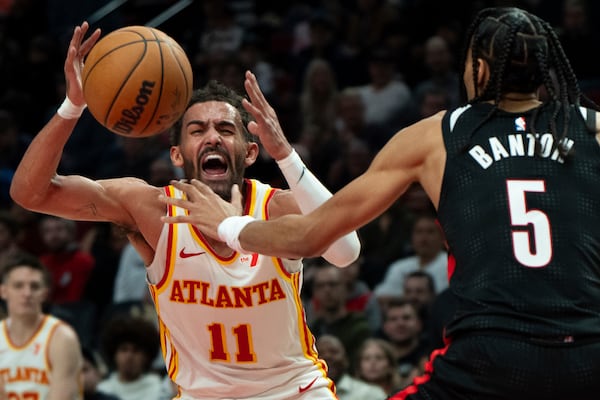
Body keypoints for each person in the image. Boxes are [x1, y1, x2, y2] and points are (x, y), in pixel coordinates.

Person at [178, 7, 600, 399]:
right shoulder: (593, 130)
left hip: (489, 355)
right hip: (588, 350)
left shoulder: (439, 135)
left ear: (479, 69)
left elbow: (313, 235)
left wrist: (228, 225)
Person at [9, 21, 360, 399]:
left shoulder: (278, 208)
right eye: (197, 130)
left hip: (294, 391)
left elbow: (346, 252)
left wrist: (287, 155)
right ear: (176, 154)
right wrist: (73, 104)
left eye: (226, 129)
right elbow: (31, 193)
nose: (212, 136)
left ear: (251, 151)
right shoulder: (151, 210)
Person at [0, 252, 83, 400]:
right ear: (3, 291)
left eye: (34, 286)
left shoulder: (62, 337)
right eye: (18, 286)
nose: (27, 293)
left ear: (44, 294)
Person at [315, 334, 387, 400]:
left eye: (334, 352)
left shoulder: (371, 394)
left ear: (346, 359)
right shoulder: (305, 394)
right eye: (320, 353)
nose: (327, 357)